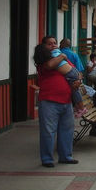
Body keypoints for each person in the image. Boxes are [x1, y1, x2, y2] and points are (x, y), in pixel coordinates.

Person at [34, 36, 78, 168]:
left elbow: (74, 71)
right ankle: (47, 159)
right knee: (48, 131)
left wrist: (77, 81)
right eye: (49, 44)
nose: (53, 45)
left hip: (66, 99)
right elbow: (50, 65)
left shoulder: (61, 58)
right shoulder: (43, 60)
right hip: (49, 101)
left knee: (67, 130)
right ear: (43, 47)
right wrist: (63, 56)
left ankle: (66, 156)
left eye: (54, 43)